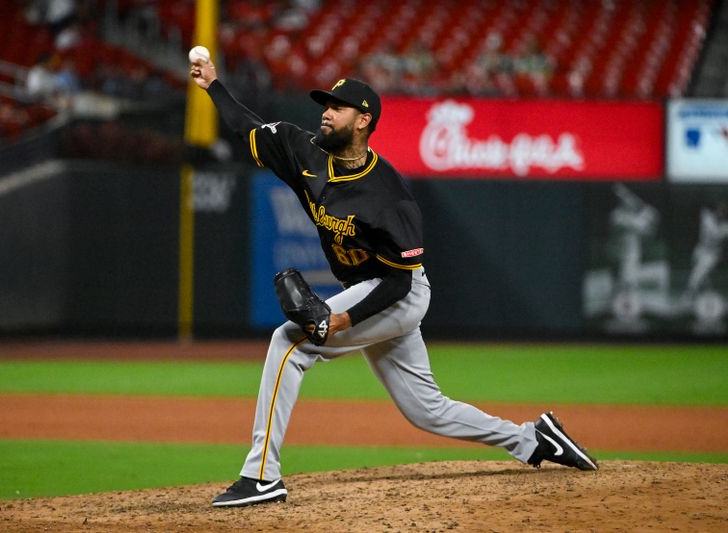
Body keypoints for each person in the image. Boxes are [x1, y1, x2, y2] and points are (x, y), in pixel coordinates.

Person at [189, 55, 598, 509]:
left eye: (338, 106)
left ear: (363, 121)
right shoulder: (302, 151)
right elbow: (246, 126)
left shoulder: (389, 195)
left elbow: (399, 284)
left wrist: (342, 319)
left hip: (398, 291)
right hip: (369, 289)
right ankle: (533, 439)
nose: (325, 111)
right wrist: (213, 86)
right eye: (325, 103)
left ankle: (261, 475)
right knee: (427, 410)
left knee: (288, 342)